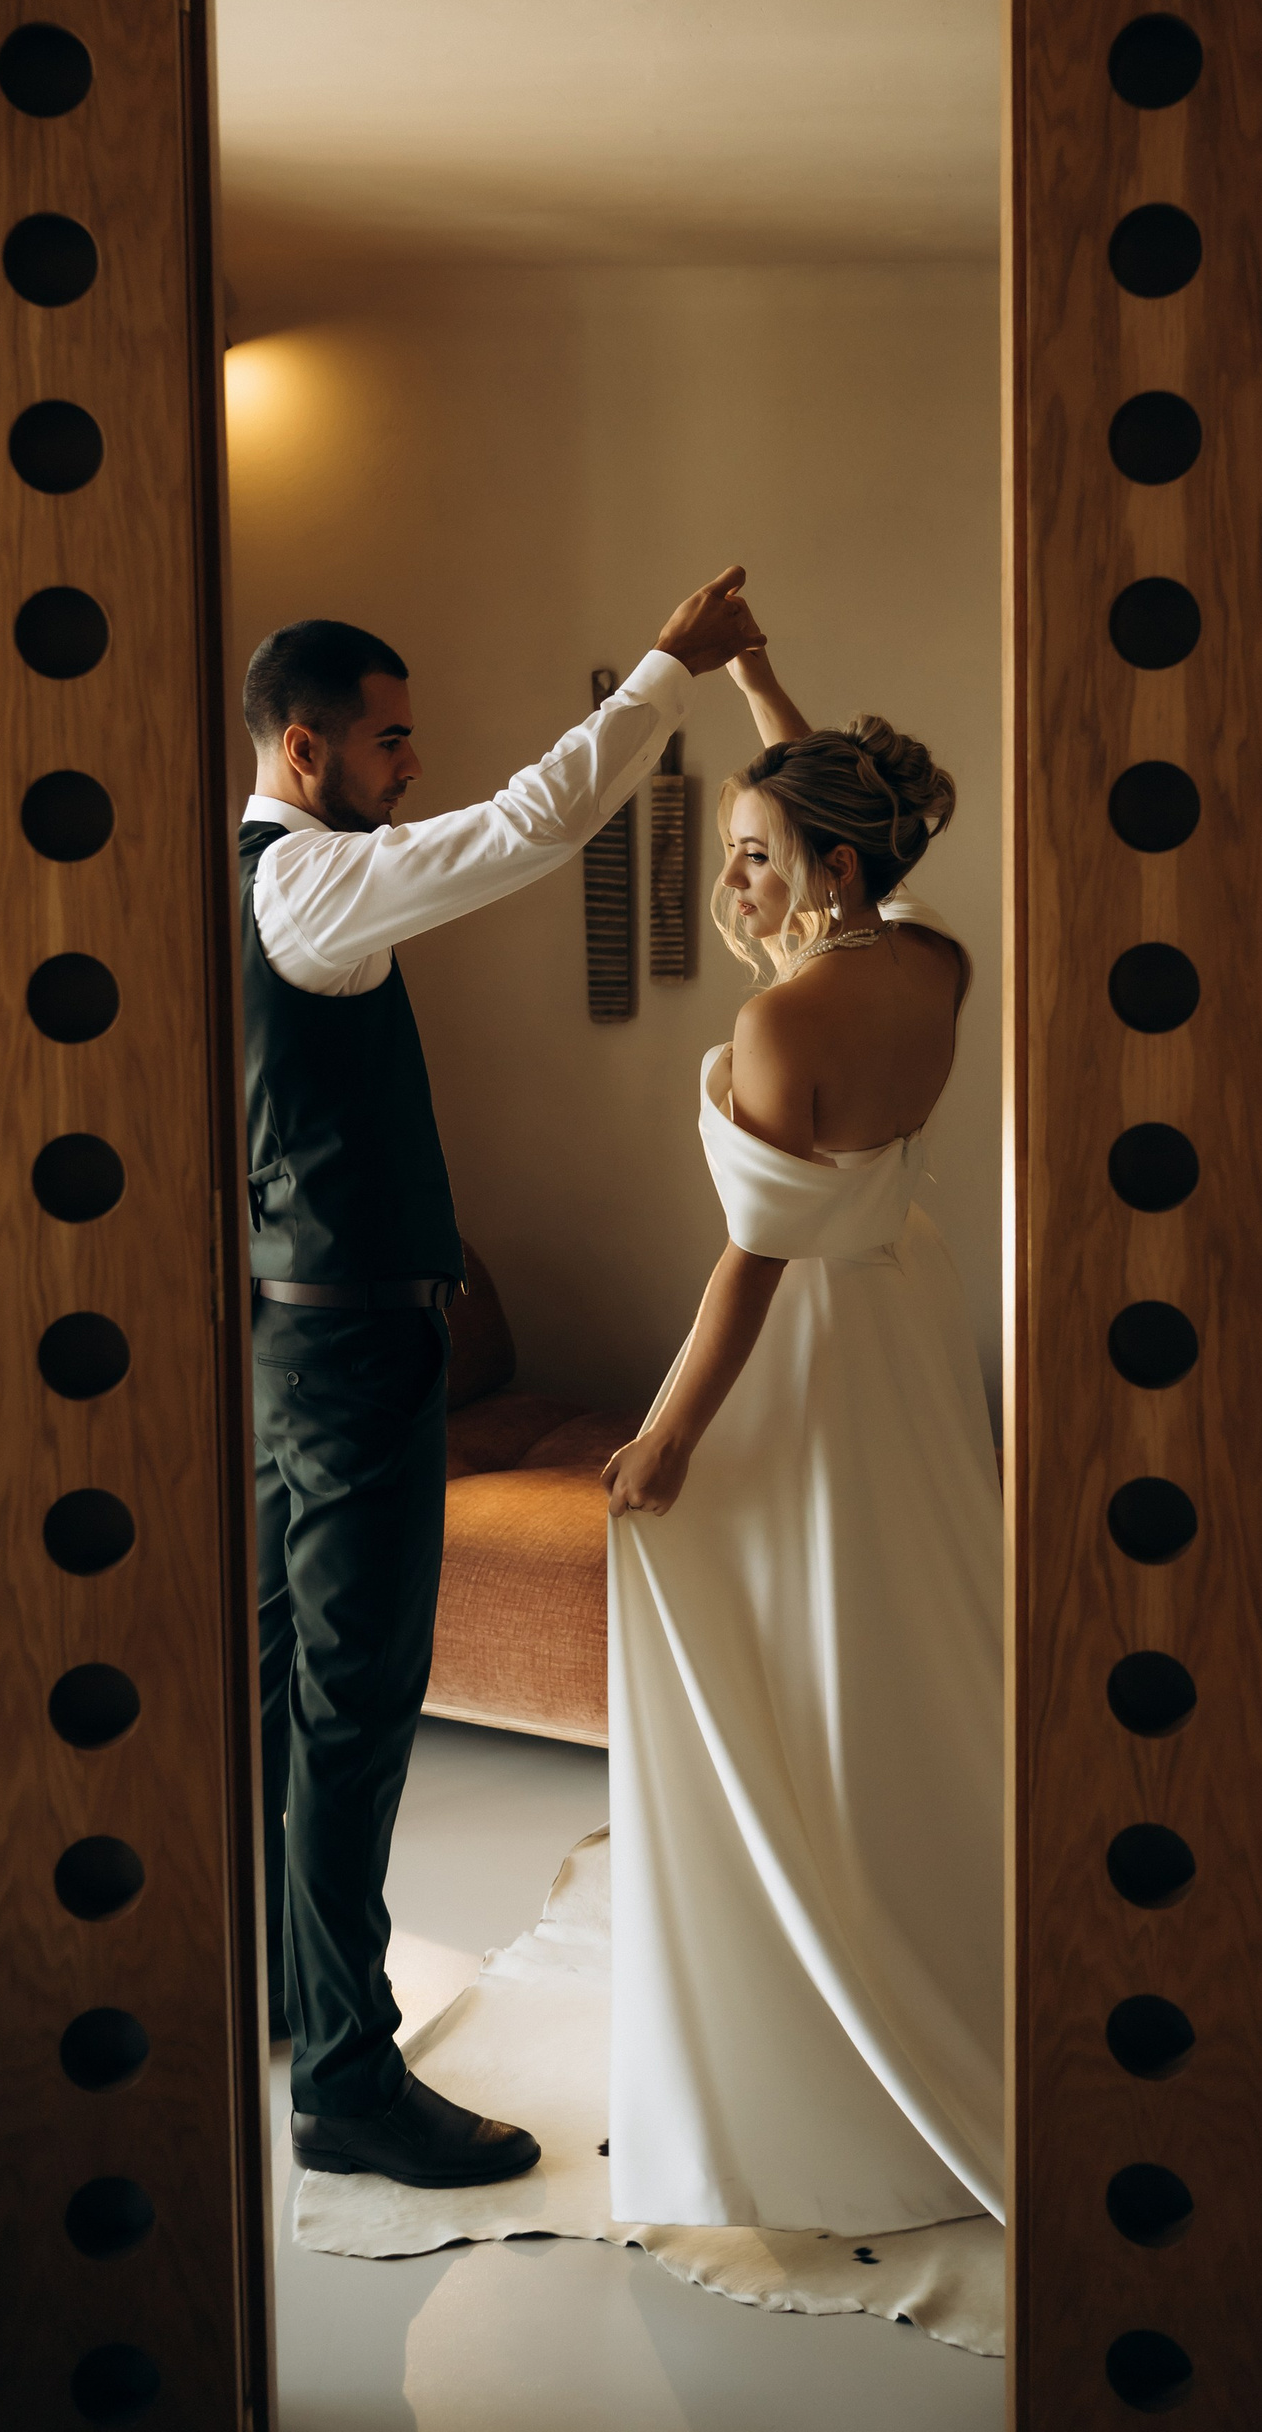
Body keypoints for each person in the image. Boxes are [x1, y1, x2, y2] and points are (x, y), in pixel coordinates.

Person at [242, 567, 764, 2190]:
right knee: (353, 1710)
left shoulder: (250, 881)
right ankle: (347, 2082)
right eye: (390, 741)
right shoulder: (310, 886)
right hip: (347, 1351)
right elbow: (532, 826)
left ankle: (285, 2001)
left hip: (286, 1338)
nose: (413, 764)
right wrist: (668, 670)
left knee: (278, 1694)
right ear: (307, 749)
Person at [602, 640, 1005, 2233]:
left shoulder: (785, 1027)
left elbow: (752, 1269)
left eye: (760, 855)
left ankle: (817, 1941)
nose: (738, 882)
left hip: (813, 1346)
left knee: (796, 1628)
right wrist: (760, 685)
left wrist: (668, 1440)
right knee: (904, 1613)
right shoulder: (936, 960)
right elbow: (851, 825)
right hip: (910, 1319)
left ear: (835, 865)